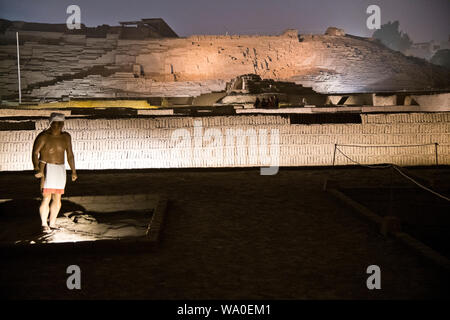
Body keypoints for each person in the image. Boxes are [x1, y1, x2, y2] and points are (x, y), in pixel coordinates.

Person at [32, 113, 77, 232]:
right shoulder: (44, 136)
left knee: (58, 197)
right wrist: (36, 168)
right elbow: (35, 153)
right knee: (46, 197)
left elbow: (70, 155)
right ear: (51, 124)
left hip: (60, 168)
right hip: (47, 167)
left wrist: (73, 171)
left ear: (63, 124)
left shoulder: (66, 137)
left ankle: (52, 222)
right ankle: (43, 223)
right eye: (55, 123)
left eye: (60, 123)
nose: (57, 126)